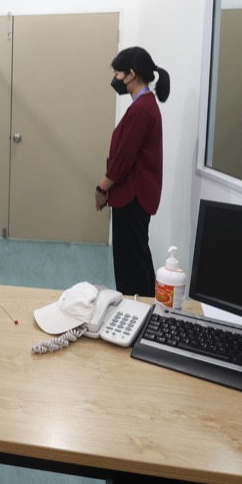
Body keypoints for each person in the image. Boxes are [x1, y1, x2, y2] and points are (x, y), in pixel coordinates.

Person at [94, 47, 170, 298]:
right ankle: (146, 307)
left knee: (131, 263)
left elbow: (123, 159)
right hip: (136, 196)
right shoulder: (144, 105)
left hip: (132, 197)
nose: (115, 79)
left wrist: (102, 188)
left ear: (131, 74)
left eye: (118, 73)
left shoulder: (141, 110)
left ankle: (135, 310)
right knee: (138, 257)